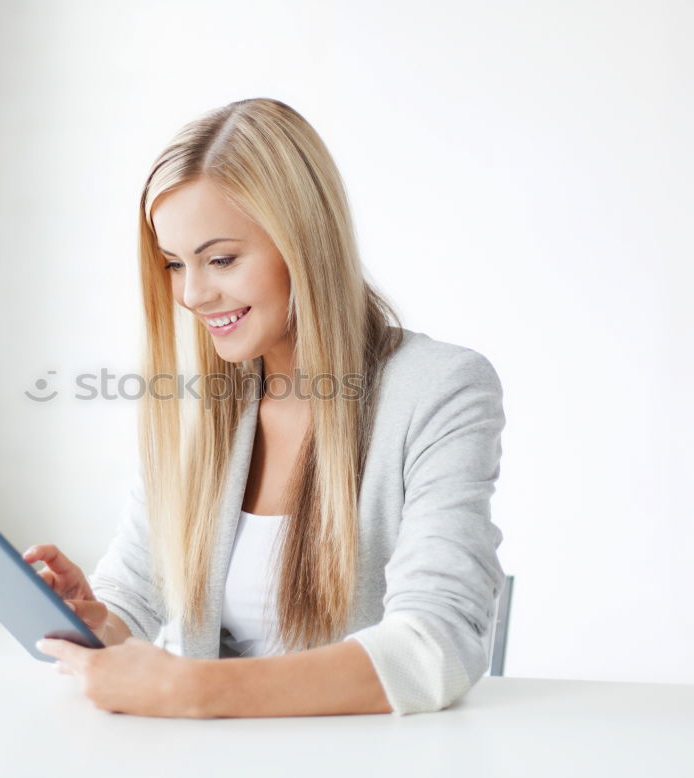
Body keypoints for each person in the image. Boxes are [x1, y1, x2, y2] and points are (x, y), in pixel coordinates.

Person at [25, 97, 506, 718]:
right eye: (175, 264)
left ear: (305, 243)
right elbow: (138, 594)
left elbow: (436, 646)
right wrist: (98, 620)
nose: (193, 294)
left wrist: (191, 690)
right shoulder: (201, 403)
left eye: (221, 259)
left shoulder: (441, 389)